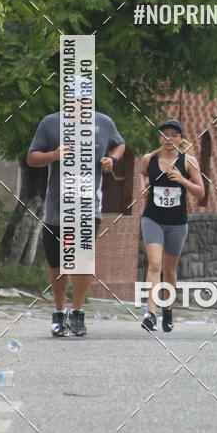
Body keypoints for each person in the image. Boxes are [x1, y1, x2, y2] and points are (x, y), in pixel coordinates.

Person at [27, 77, 125, 337]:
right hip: (57, 207)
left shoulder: (103, 122)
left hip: (88, 205)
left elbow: (119, 144)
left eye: (84, 97)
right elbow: (32, 157)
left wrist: (111, 159)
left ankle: (77, 312)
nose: (79, 101)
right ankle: (59, 312)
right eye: (74, 97)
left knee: (82, 261)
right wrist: (53, 155)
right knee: (58, 264)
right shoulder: (51, 123)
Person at [139, 120, 205, 333]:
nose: (169, 139)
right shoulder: (149, 158)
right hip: (152, 218)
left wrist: (182, 181)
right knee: (155, 265)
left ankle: (167, 308)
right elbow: (141, 173)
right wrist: (143, 187)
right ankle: (150, 313)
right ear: (160, 138)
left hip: (177, 222)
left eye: (174, 135)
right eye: (165, 134)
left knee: (169, 268)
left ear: (180, 139)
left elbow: (201, 191)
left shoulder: (189, 162)